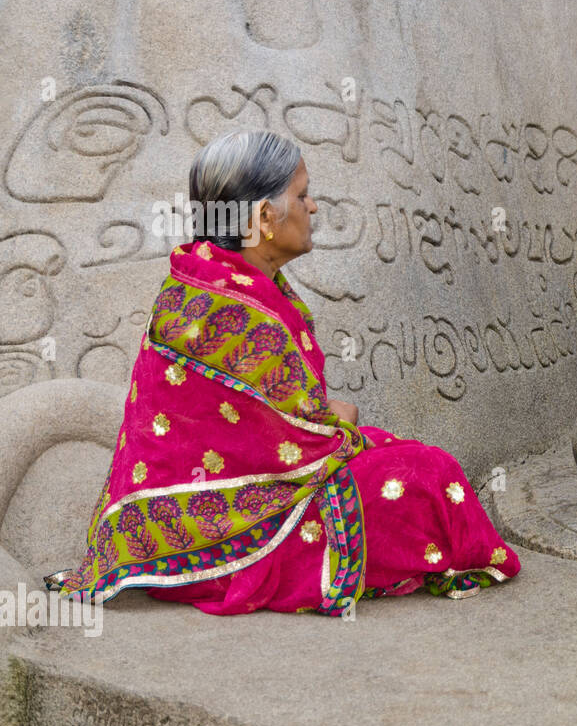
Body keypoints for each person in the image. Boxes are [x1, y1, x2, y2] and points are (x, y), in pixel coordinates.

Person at [44, 130, 521, 614]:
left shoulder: (213, 280)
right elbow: (295, 449)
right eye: (302, 194)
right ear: (264, 217)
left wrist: (331, 421)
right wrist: (338, 422)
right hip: (235, 531)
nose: (312, 208)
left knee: (404, 454)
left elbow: (271, 427)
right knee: (428, 472)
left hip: (187, 522)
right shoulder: (228, 304)